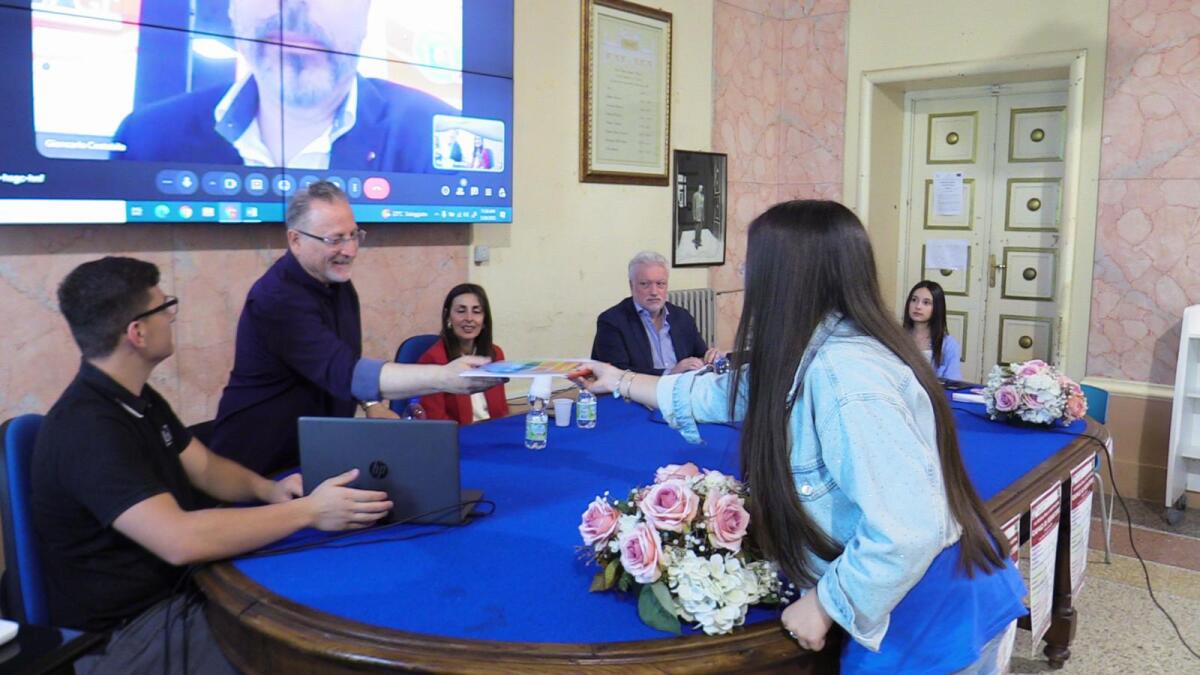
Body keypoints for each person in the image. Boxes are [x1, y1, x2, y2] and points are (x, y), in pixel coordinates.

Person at [574, 201, 1026, 673]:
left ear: (787, 277)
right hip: (914, 604)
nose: (748, 278)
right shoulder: (812, 347)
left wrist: (826, 604)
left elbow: (908, 530)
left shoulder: (845, 374)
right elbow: (716, 392)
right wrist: (619, 379)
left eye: (754, 265)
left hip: (930, 617)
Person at [32, 256, 394, 674]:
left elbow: (204, 468)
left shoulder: (136, 399)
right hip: (128, 638)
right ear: (137, 332)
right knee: (318, 652)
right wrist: (307, 512)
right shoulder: (87, 428)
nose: (173, 317)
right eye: (165, 307)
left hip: (183, 594)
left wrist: (269, 491)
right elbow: (179, 538)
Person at [211, 181, 501, 476]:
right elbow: (344, 371)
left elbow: (344, 362)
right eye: (335, 239)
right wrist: (444, 377)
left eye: (354, 236)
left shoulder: (339, 285)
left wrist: (372, 403)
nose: (349, 250)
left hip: (314, 453)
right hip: (255, 466)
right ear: (295, 239)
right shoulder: (277, 298)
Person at [112, 0, 455, 171]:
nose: (293, 6)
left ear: (365, 15)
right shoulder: (146, 136)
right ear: (233, 8)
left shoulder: (436, 135)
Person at [591, 251, 720, 375]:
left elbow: (701, 355)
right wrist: (669, 373)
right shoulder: (612, 322)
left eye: (660, 284)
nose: (654, 291)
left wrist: (710, 357)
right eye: (645, 284)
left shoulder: (682, 317)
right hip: (637, 395)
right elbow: (616, 373)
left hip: (681, 391)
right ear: (631, 286)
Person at [416, 284, 509, 425]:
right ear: (448, 317)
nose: (469, 318)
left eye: (476, 311)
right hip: (457, 438)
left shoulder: (495, 354)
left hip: (493, 433)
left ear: (484, 319)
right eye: (461, 311)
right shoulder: (433, 359)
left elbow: (501, 412)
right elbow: (436, 421)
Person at [904, 280, 962, 380]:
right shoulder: (897, 337)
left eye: (926, 303)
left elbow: (953, 382)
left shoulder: (949, 344)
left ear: (937, 308)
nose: (918, 306)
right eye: (914, 300)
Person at [690, 184, 705, 248]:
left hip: (701, 214)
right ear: (698, 188)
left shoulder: (702, 195)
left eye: (702, 188)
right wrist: (694, 215)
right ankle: (696, 242)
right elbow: (693, 206)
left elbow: (703, 206)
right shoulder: (695, 195)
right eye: (700, 188)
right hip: (697, 214)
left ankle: (699, 241)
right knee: (696, 228)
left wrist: (703, 216)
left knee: (700, 229)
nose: (701, 189)